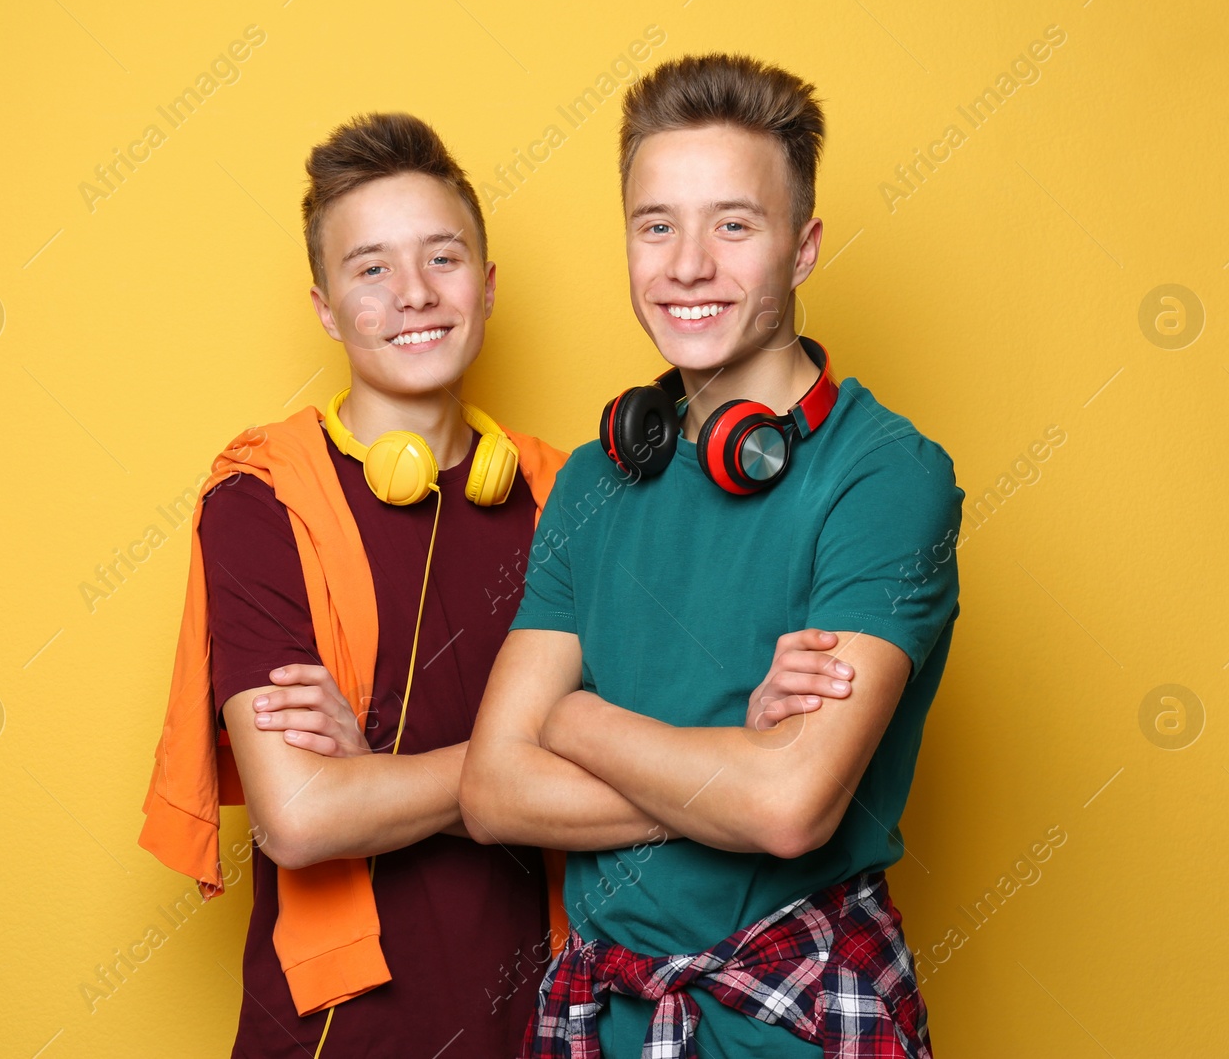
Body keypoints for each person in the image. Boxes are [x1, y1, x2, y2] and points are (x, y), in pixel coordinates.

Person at [138, 110, 853, 1057]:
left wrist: (382, 779)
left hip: (560, 1013)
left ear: (486, 283)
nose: (412, 295)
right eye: (371, 269)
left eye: (442, 258)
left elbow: (681, 730)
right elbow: (304, 817)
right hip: (339, 1025)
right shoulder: (263, 500)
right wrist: (712, 774)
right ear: (323, 307)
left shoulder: (582, 493)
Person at [460, 54, 964, 1058]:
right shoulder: (593, 479)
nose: (687, 265)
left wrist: (575, 718)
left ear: (803, 246)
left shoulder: (887, 478)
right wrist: (728, 760)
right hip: (600, 1018)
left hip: (800, 1014)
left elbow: (785, 808)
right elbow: (491, 790)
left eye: (733, 224)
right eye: (657, 225)